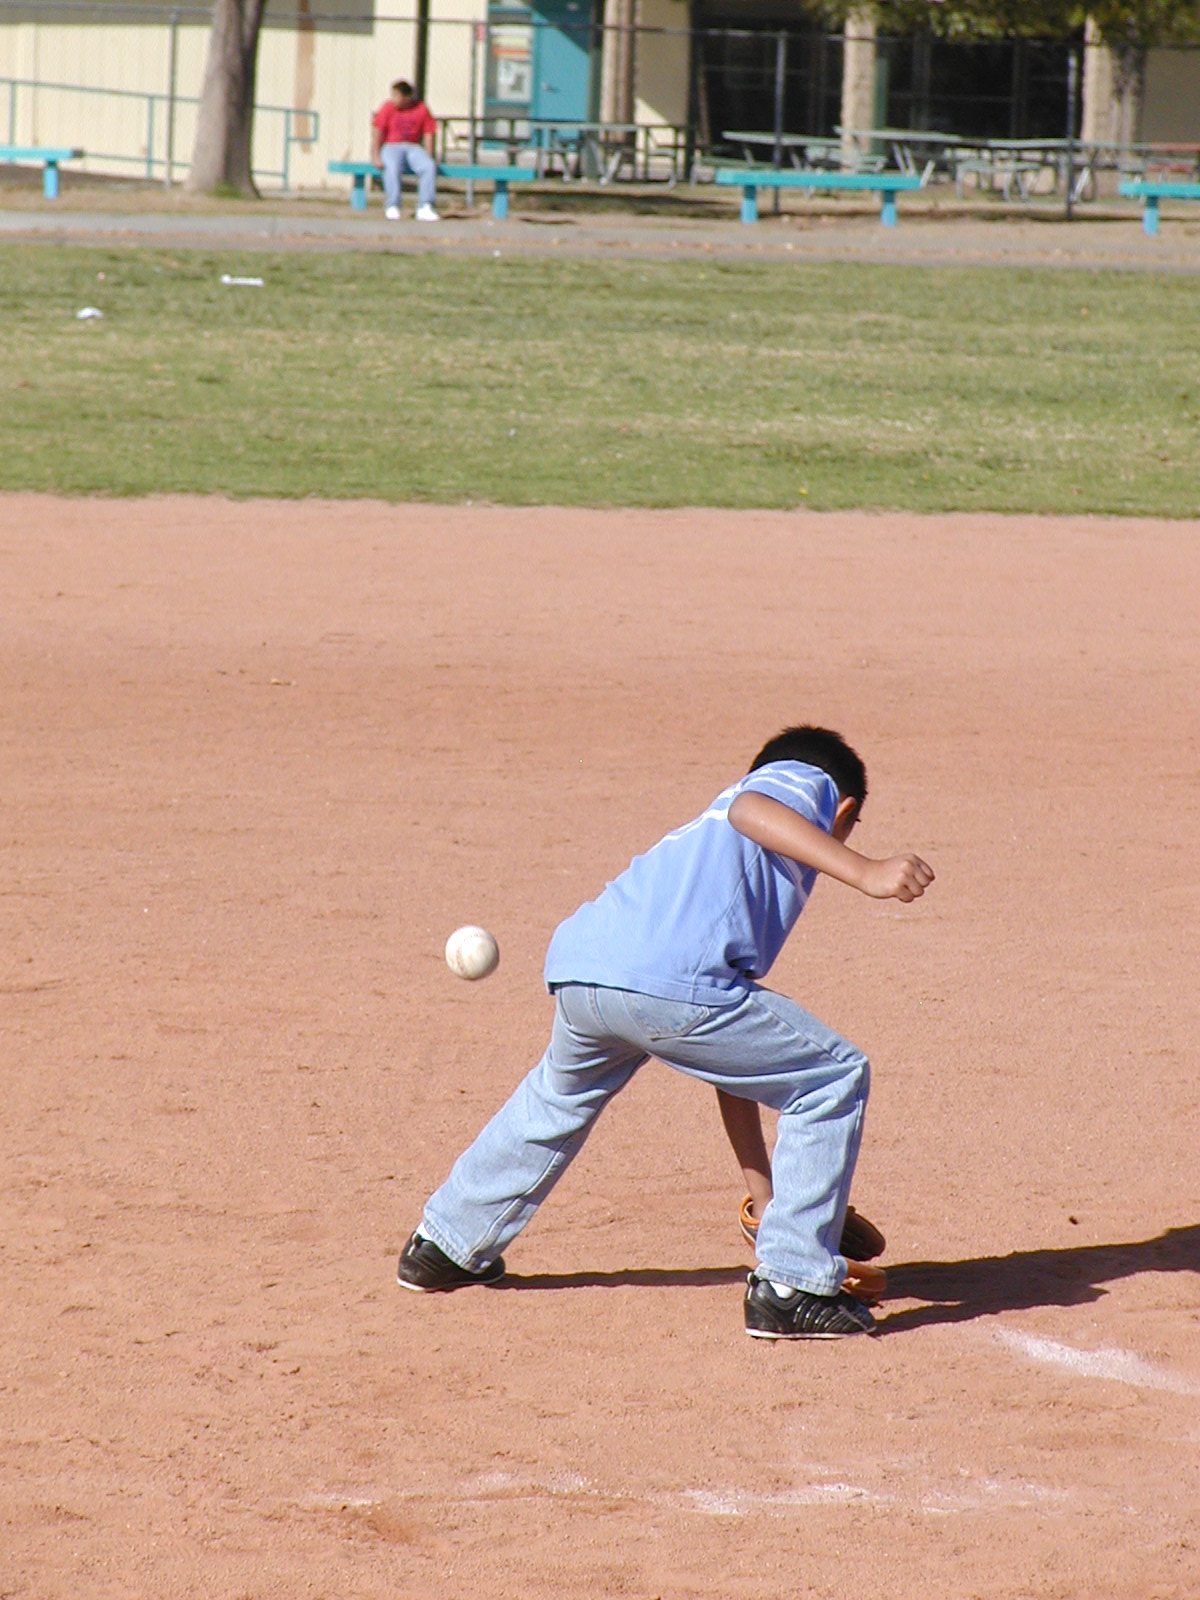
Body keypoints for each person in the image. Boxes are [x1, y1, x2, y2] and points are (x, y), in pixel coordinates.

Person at [397, 726, 934, 1340]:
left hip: (586, 970)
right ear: (844, 812)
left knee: (555, 1101)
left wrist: (768, 1200)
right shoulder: (799, 782)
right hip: (665, 981)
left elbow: (736, 1066)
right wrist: (865, 871)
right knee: (834, 1076)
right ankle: (792, 1286)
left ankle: (446, 1243)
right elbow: (753, 808)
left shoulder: (712, 860)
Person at [371, 79, 439, 222]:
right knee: (392, 166)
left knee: (428, 166)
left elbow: (429, 133)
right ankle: (393, 205)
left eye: (397, 95)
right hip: (392, 146)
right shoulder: (387, 108)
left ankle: (425, 206)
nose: (393, 99)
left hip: (413, 147)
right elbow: (378, 131)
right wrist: (376, 155)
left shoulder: (421, 108)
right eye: (393, 95)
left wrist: (428, 155)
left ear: (408, 97)